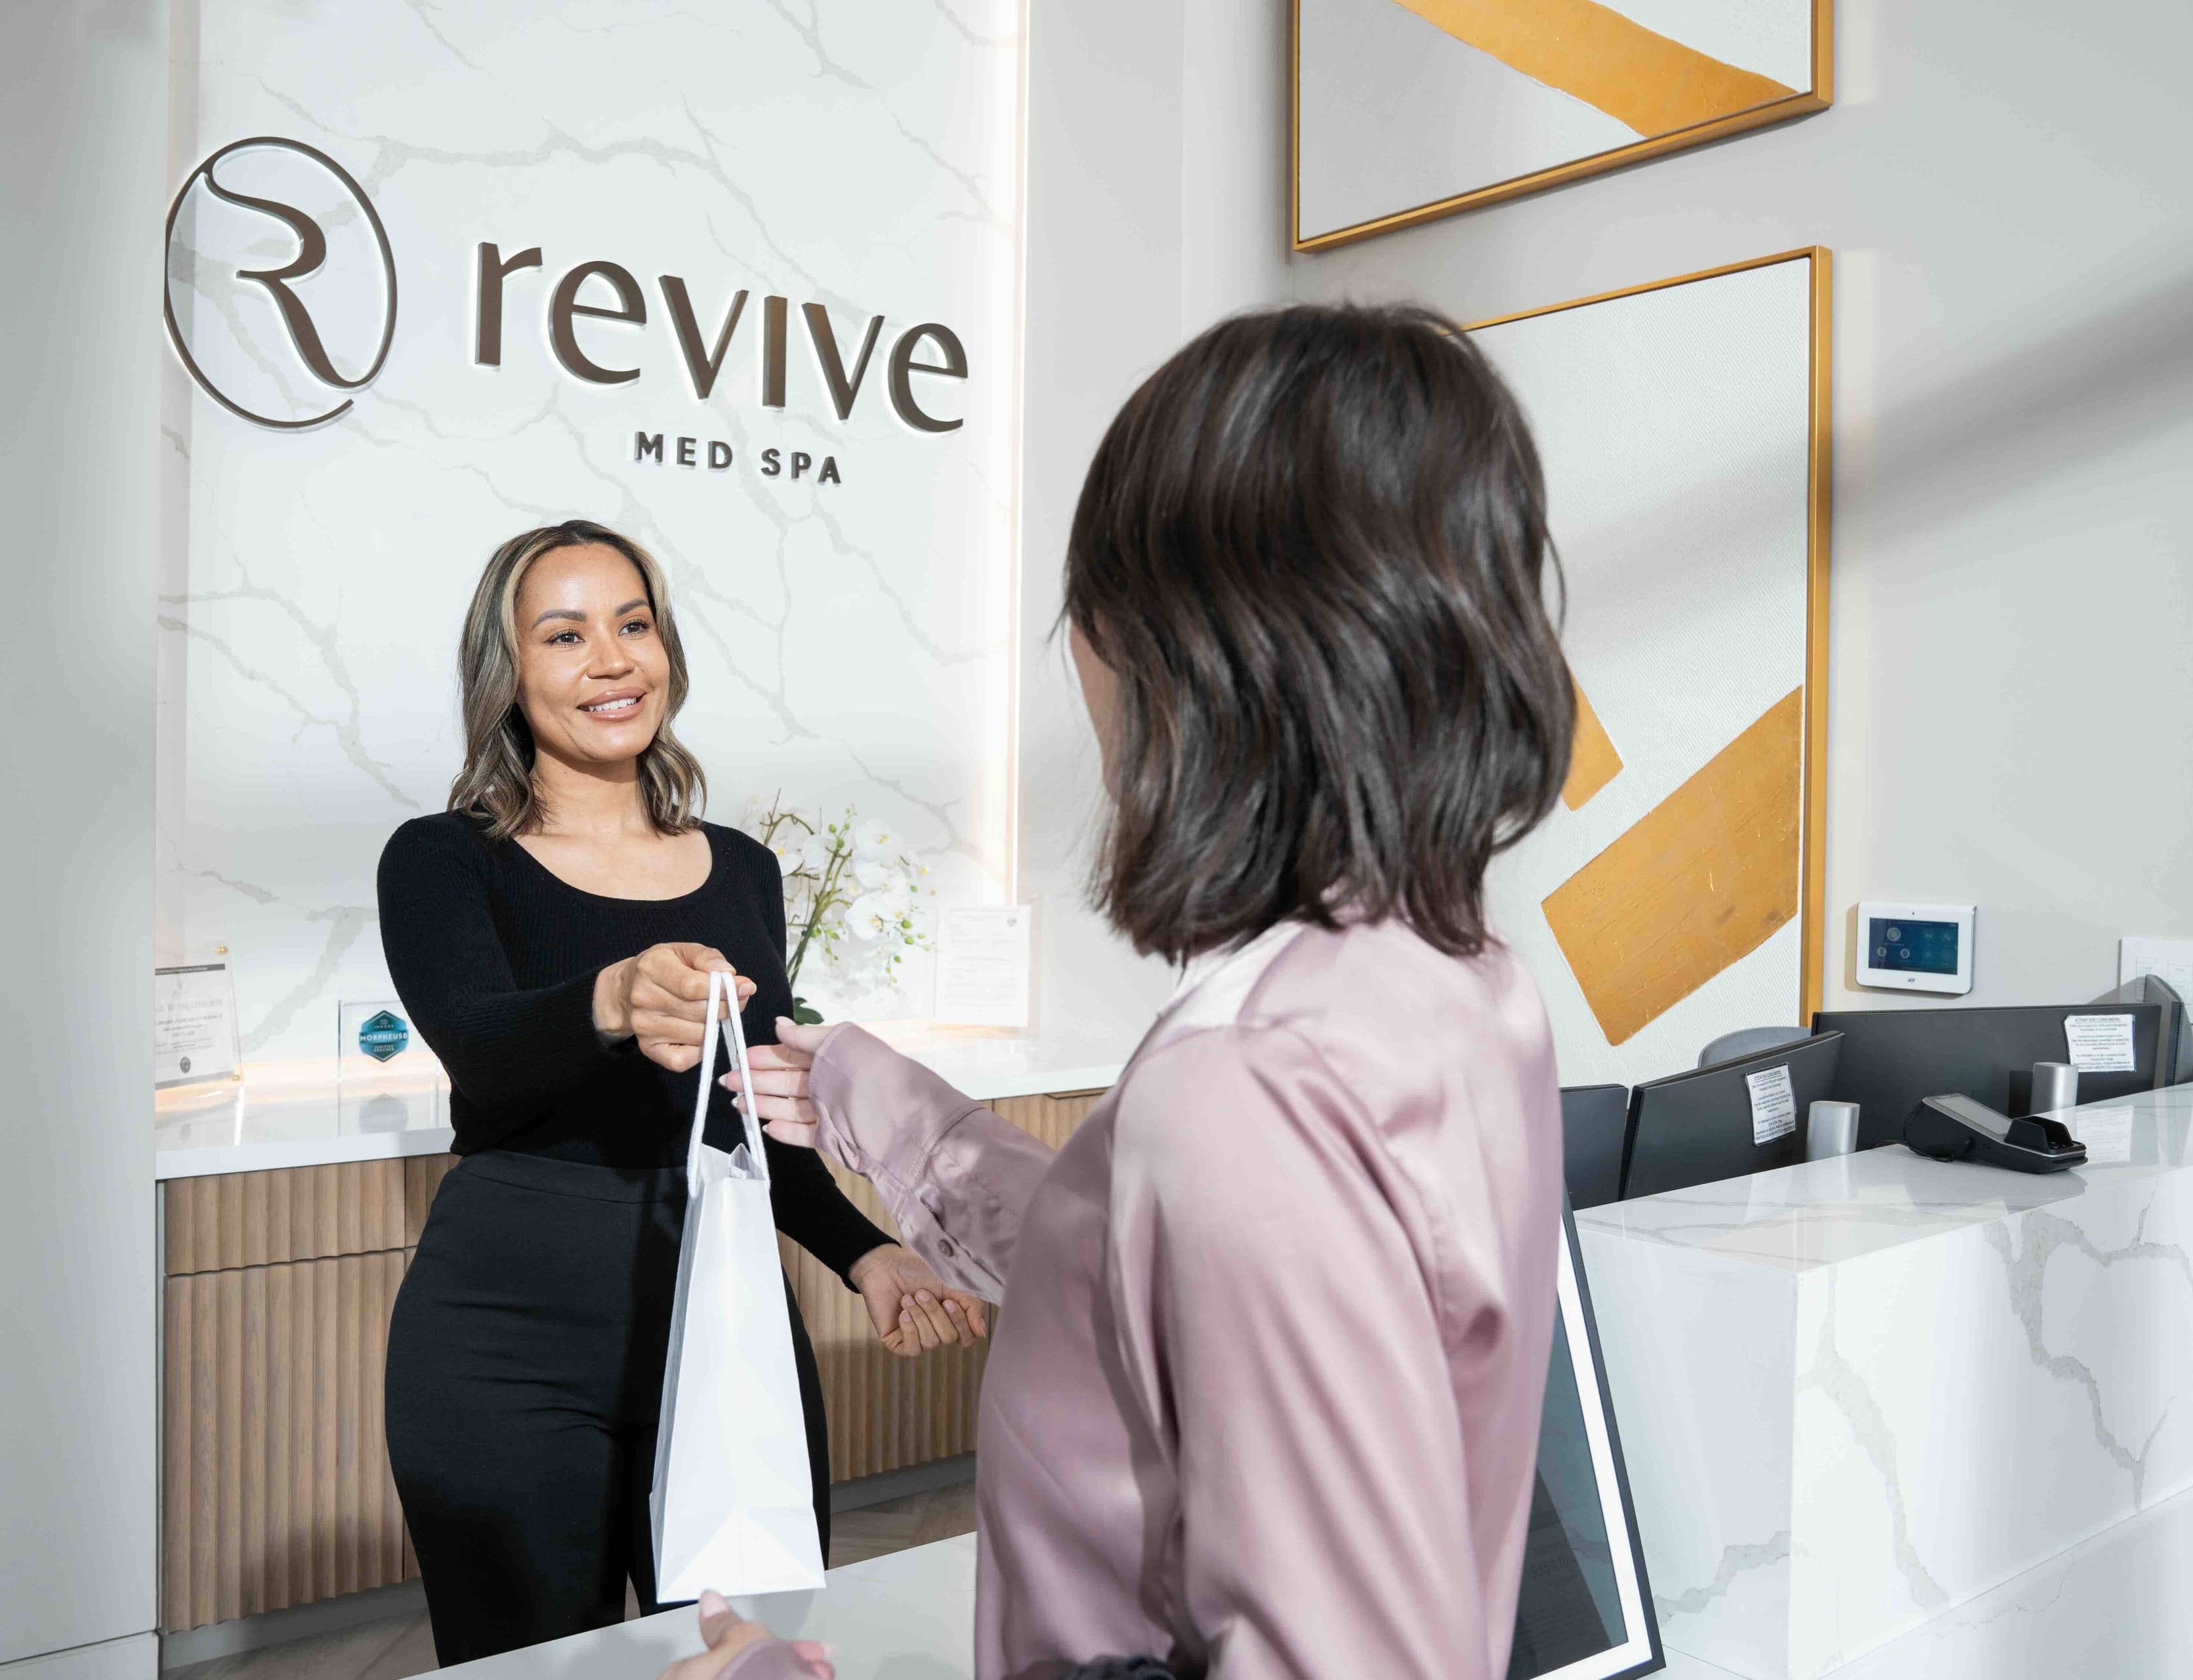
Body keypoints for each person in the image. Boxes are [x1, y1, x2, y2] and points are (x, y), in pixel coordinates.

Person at [673, 304, 1578, 1679]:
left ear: (1183, 644)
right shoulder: (1458, 987)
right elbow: (1160, 1288)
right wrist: (876, 1100)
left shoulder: (1248, 1086)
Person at [378, 518, 989, 1666]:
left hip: (729, 1331)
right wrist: (611, 998)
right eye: (565, 635)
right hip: (506, 1350)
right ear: (508, 675)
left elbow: (754, 1121)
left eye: (634, 623)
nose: (612, 660)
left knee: (751, 1657)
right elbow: (482, 1049)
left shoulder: (744, 869)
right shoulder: (442, 859)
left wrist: (870, 1253)